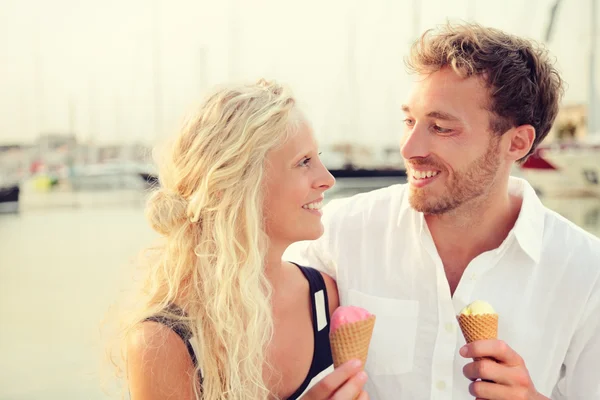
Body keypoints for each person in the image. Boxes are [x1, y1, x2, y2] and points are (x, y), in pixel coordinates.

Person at [285, 23, 600, 399]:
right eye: (409, 121)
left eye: (441, 127)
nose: (409, 147)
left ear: (516, 142)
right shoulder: (337, 235)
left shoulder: (586, 274)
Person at [118, 79, 370, 400]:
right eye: (304, 162)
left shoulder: (324, 297)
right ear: (239, 187)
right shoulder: (164, 341)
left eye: (317, 158)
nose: (327, 179)